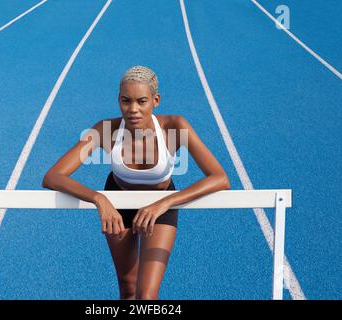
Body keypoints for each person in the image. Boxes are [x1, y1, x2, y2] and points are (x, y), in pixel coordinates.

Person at [42, 65, 230, 300]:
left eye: (142, 101)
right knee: (128, 288)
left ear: (156, 100)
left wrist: (164, 204)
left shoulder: (174, 127)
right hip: (117, 205)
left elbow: (220, 178)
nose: (133, 110)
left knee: (147, 296)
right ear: (118, 100)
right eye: (125, 101)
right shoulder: (105, 130)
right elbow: (53, 176)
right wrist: (100, 199)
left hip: (161, 207)